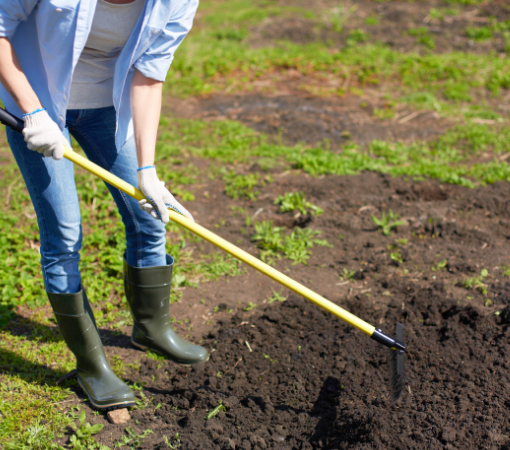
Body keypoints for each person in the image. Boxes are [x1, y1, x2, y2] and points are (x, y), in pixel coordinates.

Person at [0, 0, 208, 411]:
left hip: (105, 108)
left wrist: (147, 169)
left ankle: (151, 328)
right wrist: (33, 111)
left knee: (148, 217)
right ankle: (92, 366)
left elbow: (150, 74)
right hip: (37, 101)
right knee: (64, 234)